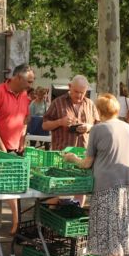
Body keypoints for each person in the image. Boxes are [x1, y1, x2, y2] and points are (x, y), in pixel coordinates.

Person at [64, 93, 129, 256]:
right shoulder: (128, 128)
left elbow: (86, 163)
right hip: (127, 185)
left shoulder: (98, 129)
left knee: (108, 231)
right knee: (119, 229)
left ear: (98, 111)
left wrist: (71, 158)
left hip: (106, 186)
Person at [0, 64, 34, 242]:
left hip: (13, 147)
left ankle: (16, 224)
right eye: (28, 81)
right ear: (17, 78)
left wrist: (22, 139)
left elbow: (25, 119)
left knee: (14, 186)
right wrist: (1, 148)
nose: (30, 85)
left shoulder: (25, 95)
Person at [42, 75, 100, 206]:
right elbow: (44, 125)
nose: (79, 95)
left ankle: (75, 213)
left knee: (81, 188)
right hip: (62, 155)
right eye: (76, 92)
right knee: (62, 189)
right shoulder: (58, 102)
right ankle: (54, 218)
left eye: (82, 92)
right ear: (69, 87)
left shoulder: (90, 104)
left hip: (83, 155)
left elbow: (100, 127)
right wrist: (60, 122)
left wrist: (89, 127)